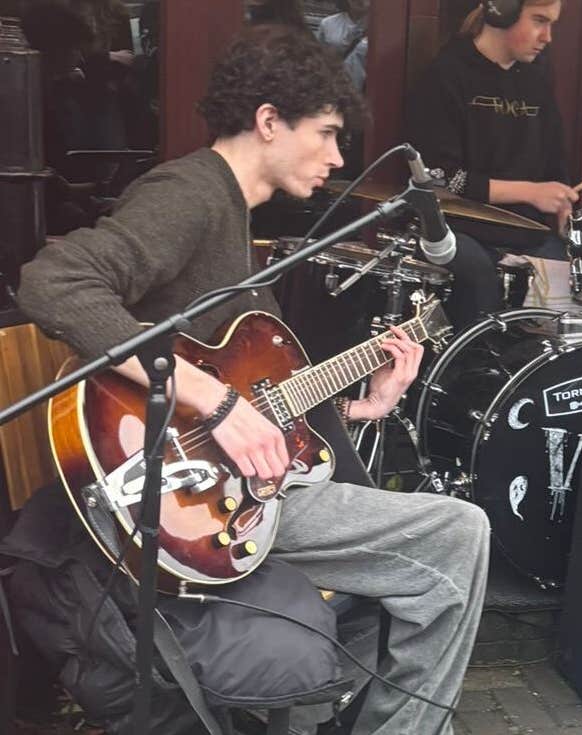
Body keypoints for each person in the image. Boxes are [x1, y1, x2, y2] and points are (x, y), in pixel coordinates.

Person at [16, 26, 489, 735]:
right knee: (459, 534)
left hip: (239, 482)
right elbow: (53, 283)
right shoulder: (192, 193)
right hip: (188, 496)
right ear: (268, 121)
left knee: (414, 559)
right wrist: (216, 401)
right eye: (327, 134)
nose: (336, 157)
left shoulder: (235, 219)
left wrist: (365, 407)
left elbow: (263, 395)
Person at [408, 0, 582, 334]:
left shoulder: (536, 75)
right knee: (480, 280)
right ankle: (472, 374)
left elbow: (553, 153)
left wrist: (563, 201)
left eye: (551, 23)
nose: (547, 36)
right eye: (538, 20)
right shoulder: (446, 74)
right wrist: (530, 193)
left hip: (527, 230)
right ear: (500, 13)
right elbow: (440, 176)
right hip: (460, 229)